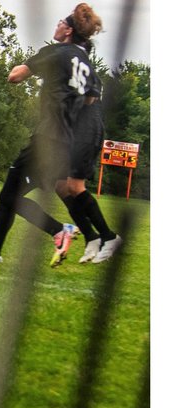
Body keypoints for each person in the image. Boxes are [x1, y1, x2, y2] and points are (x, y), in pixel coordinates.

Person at [0, 5, 103, 266]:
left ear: (67, 30)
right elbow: (90, 100)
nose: (56, 26)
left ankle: (59, 230)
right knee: (12, 194)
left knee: (9, 196)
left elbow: (15, 76)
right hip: (69, 142)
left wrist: (32, 64)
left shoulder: (56, 52)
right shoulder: (86, 65)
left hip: (48, 138)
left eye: (59, 22)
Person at [53, 39, 122, 264]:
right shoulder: (72, 67)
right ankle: (91, 236)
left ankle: (109, 237)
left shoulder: (87, 72)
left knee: (74, 185)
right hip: (73, 133)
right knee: (61, 187)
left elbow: (88, 99)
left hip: (87, 132)